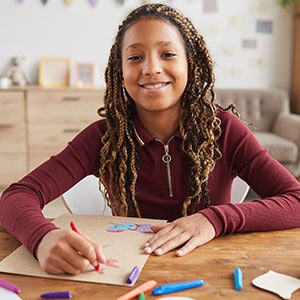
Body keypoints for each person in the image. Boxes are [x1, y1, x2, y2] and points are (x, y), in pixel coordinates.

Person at [0, 3, 299, 275]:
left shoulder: (225, 130)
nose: (151, 68)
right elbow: (15, 197)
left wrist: (215, 219)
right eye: (135, 57)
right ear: (120, 72)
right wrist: (43, 238)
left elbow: (295, 200)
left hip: (213, 273)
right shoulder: (102, 138)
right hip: (126, 275)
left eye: (168, 54)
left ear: (190, 65)